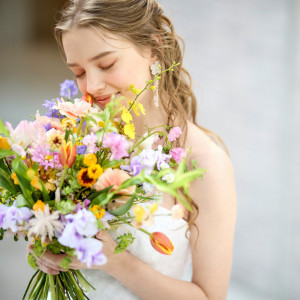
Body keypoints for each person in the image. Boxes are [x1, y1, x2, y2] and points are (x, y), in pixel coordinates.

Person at [33, 0, 237, 299]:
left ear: (154, 47)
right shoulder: (76, 136)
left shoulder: (205, 162)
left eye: (106, 65)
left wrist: (115, 260)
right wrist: (45, 243)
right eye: (78, 72)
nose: (92, 85)